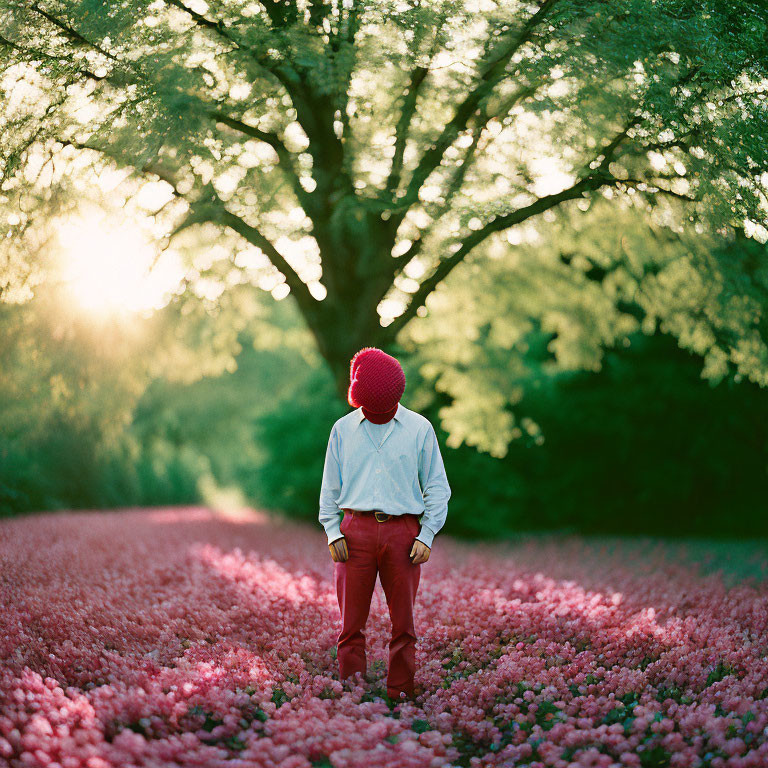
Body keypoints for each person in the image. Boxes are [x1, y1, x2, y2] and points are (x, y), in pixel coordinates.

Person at [318, 346, 451, 702]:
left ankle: (401, 694)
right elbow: (330, 486)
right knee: (350, 627)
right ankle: (352, 695)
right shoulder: (343, 430)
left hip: (404, 533)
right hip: (354, 530)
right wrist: (332, 531)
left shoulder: (419, 428)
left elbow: (438, 486)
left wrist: (427, 533)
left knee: (404, 625)